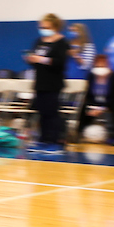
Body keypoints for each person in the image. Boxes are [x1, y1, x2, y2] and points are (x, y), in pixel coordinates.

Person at [25, 13, 69, 152]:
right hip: (40, 81)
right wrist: (31, 59)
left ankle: (55, 141)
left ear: (54, 27)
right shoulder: (39, 41)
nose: (43, 29)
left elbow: (60, 63)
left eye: (46, 27)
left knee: (52, 113)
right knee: (42, 112)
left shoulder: (62, 42)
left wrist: (42, 60)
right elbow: (35, 58)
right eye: (41, 26)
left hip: (53, 82)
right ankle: (43, 140)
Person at [78, 55, 114, 145]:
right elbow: (88, 94)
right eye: (98, 64)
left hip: (113, 102)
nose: (100, 66)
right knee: (84, 108)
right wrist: (91, 106)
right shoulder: (91, 75)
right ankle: (79, 132)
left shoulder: (113, 76)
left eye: (103, 64)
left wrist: (102, 108)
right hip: (96, 102)